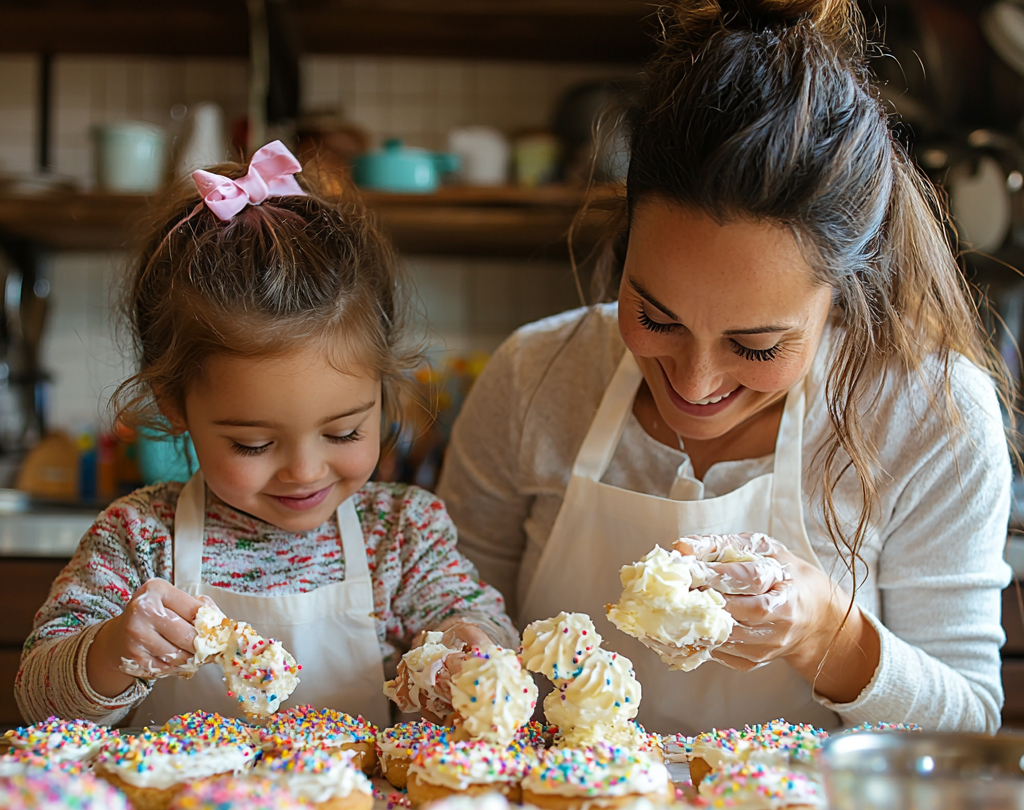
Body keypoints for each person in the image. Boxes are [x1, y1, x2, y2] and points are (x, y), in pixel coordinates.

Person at [438, 0, 1013, 734]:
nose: (694, 383)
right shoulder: (536, 376)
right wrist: (458, 652)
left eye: (757, 347)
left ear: (843, 293)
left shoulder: (929, 412)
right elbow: (446, 604)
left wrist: (822, 633)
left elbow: (966, 725)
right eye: (655, 317)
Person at [18, 142, 514, 728]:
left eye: (344, 432)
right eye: (253, 444)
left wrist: (471, 653)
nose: (305, 471)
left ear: (382, 390)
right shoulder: (141, 539)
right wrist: (109, 652)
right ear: (174, 406)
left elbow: (482, 628)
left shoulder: (402, 539)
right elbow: (37, 699)